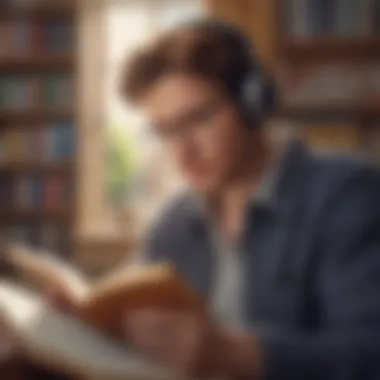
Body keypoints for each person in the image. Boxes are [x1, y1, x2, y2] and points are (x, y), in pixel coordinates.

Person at [27, 18, 380, 379]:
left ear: (253, 102)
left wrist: (232, 353)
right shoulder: (175, 222)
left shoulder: (347, 196)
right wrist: (80, 324)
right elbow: (123, 310)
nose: (182, 153)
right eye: (165, 131)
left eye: (197, 119)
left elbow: (369, 353)